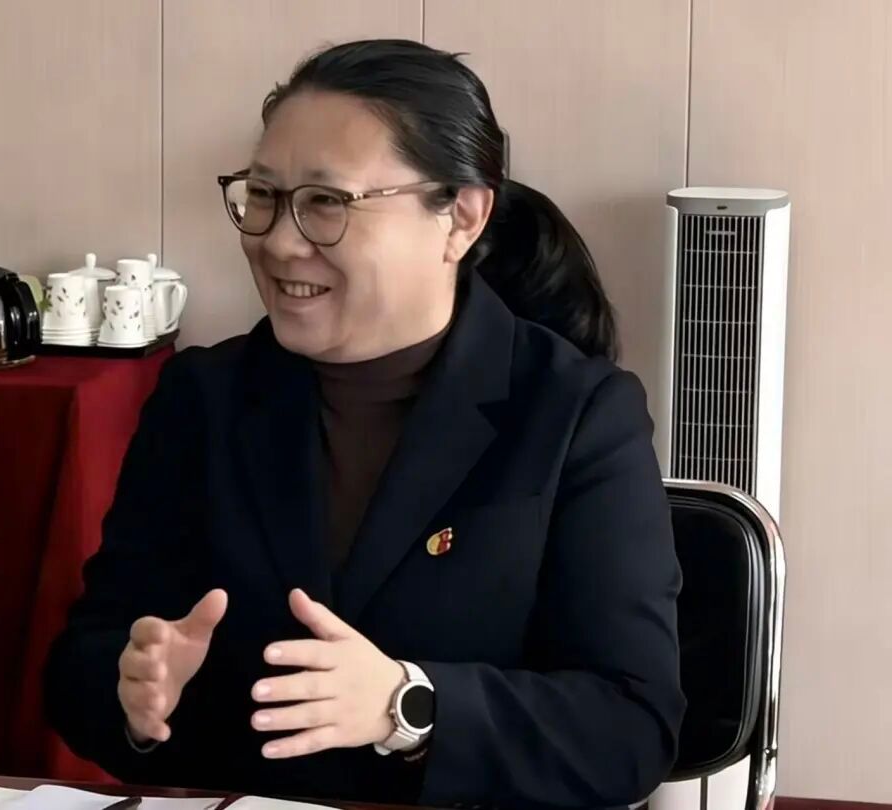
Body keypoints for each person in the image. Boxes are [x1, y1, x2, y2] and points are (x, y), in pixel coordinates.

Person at [45, 39, 685, 810]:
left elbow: (630, 728)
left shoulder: (577, 415)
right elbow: (83, 664)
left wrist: (407, 705)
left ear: (461, 217)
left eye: (326, 203)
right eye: (263, 194)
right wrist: (132, 692)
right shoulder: (203, 397)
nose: (279, 241)